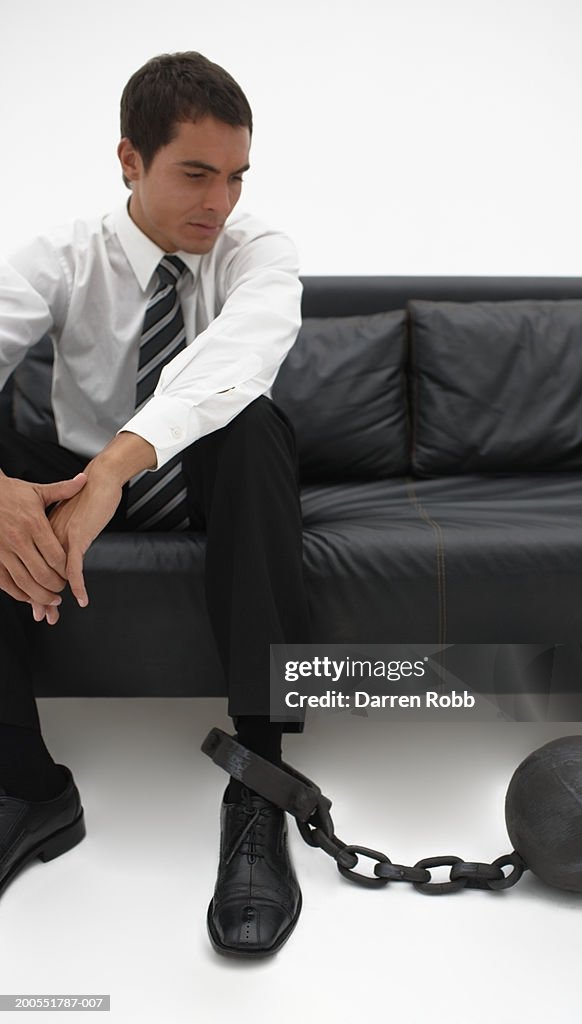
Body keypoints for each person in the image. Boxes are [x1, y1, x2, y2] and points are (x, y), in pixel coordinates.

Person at [0, 51, 311, 958]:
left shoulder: (259, 252)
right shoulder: (62, 256)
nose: (221, 200)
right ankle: (25, 786)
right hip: (70, 478)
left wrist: (116, 470)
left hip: (203, 483)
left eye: (237, 175)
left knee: (251, 426)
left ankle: (260, 780)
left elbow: (235, 360)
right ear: (131, 161)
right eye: (196, 173)